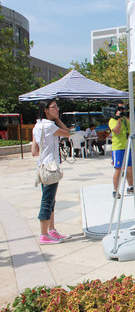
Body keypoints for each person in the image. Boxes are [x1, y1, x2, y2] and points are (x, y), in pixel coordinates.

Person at [31, 99, 72, 244]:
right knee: (47, 201)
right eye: (54, 107)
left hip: (42, 166)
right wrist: (57, 119)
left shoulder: (37, 126)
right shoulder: (49, 126)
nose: (57, 109)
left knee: (50, 199)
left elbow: (34, 152)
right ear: (46, 110)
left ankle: (51, 230)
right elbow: (68, 133)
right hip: (51, 167)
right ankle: (44, 234)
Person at [108, 105, 135, 198]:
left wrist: (131, 117)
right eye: (119, 110)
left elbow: (133, 128)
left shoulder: (125, 120)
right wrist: (118, 119)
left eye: (123, 110)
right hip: (118, 147)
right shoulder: (112, 120)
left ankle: (131, 187)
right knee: (118, 169)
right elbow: (117, 131)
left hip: (128, 146)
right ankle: (115, 190)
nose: (122, 112)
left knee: (129, 167)